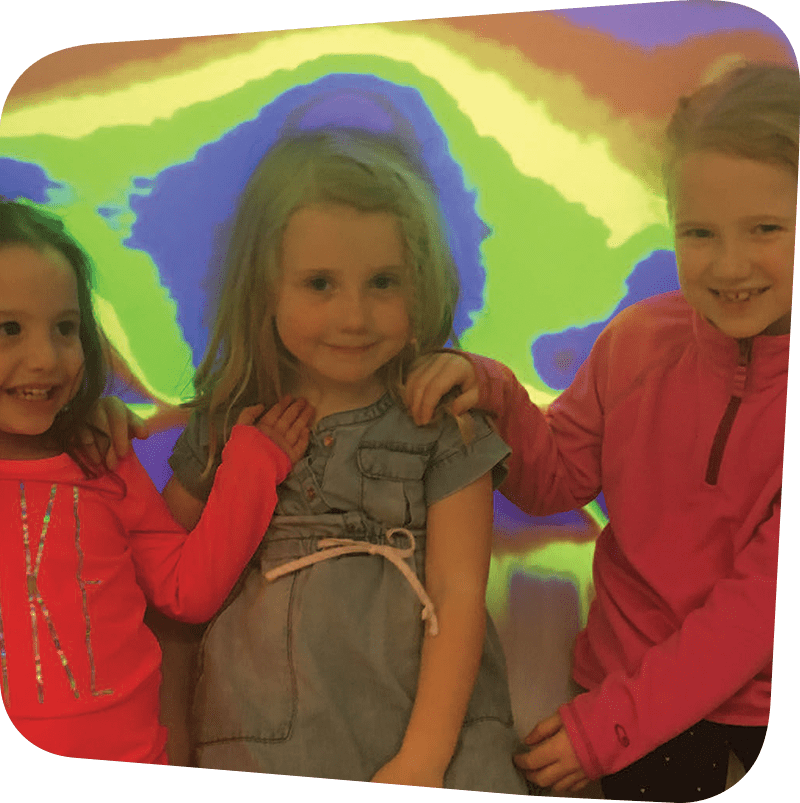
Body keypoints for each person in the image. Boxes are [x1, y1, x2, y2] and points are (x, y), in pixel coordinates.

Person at [403, 62, 797, 801]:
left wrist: (607, 729)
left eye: (766, 230)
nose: (731, 263)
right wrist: (493, 392)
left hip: (752, 705)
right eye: (700, 232)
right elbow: (553, 476)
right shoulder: (639, 342)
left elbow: (754, 616)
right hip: (623, 680)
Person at [119, 128, 524, 792]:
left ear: (421, 282)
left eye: (383, 282)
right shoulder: (225, 428)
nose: (354, 315)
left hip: (430, 736)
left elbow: (459, 592)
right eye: (320, 284)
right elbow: (162, 586)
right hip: (261, 739)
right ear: (265, 286)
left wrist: (424, 757)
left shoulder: (444, 423)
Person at [0, 200, 312, 764]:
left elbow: (185, 591)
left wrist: (252, 464)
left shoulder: (104, 458)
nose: (45, 357)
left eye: (66, 328)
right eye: (8, 328)